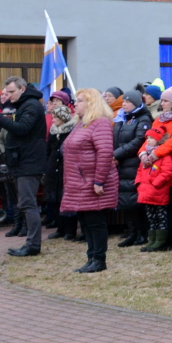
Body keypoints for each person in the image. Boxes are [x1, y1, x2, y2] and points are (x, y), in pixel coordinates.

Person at [0, 77, 47, 256]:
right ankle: (31, 242)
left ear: (22, 89)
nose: (8, 96)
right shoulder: (25, 104)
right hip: (23, 160)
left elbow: (22, 128)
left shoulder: (31, 105)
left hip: (29, 162)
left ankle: (33, 244)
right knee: (25, 202)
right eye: (6, 92)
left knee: (28, 203)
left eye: (12, 92)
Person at [60, 89, 119, 273]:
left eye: (79, 101)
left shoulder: (100, 123)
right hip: (79, 182)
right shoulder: (82, 124)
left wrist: (99, 181)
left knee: (95, 221)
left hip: (92, 182)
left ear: (91, 103)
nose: (75, 104)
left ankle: (99, 260)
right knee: (85, 221)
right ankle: (91, 257)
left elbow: (105, 153)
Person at [136, 88, 172, 252]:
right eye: (163, 100)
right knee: (162, 207)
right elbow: (149, 139)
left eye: (166, 101)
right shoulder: (159, 119)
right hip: (157, 169)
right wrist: (142, 153)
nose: (162, 103)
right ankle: (165, 238)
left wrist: (154, 154)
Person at [113, 89, 153, 246]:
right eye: (123, 101)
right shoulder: (121, 118)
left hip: (133, 163)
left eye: (128, 101)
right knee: (125, 199)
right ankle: (132, 232)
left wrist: (117, 154)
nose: (124, 104)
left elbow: (138, 141)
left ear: (136, 103)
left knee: (135, 200)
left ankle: (142, 233)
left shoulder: (143, 119)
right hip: (122, 164)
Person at [44, 90, 78, 240]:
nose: (53, 120)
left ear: (63, 118)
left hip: (66, 167)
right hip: (54, 168)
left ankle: (70, 229)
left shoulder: (70, 131)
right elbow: (48, 149)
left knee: (67, 199)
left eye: (56, 117)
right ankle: (60, 227)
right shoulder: (53, 131)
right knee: (56, 199)